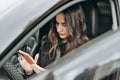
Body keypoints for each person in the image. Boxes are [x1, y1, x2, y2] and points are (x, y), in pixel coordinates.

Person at [18, 4, 89, 76]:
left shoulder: (83, 48)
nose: (59, 29)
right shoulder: (47, 42)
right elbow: (36, 74)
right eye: (57, 23)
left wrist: (48, 75)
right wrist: (30, 71)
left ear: (74, 24)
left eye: (64, 24)